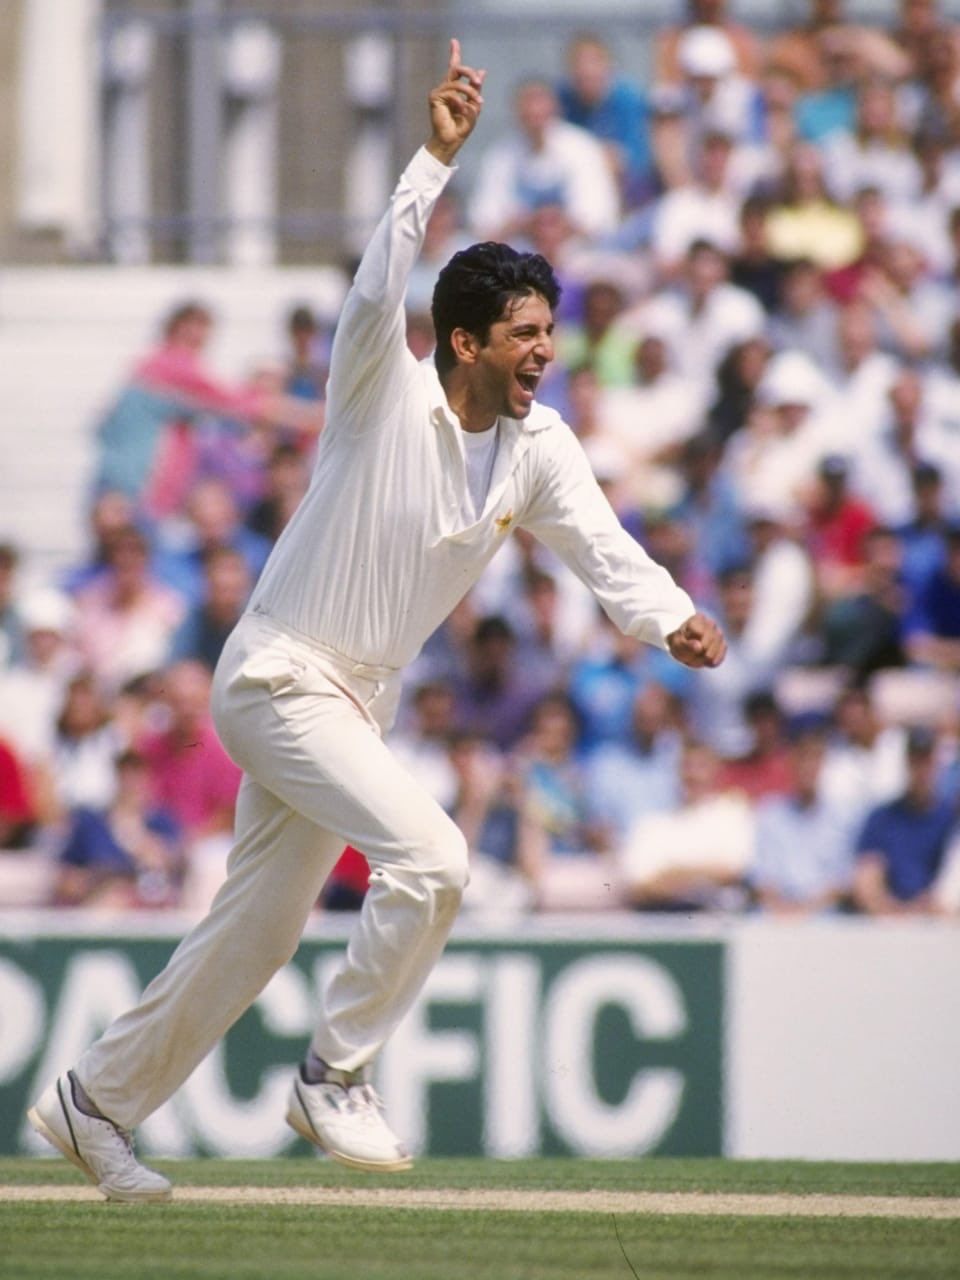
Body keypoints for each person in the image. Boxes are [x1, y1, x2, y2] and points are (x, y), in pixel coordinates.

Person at [28, 42, 725, 1203]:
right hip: (278, 675)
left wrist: (673, 620)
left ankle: (93, 1103)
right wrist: (432, 160)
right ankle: (334, 1071)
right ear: (463, 341)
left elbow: (606, 550)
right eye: (524, 334)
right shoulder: (380, 388)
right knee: (436, 858)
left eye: (549, 330)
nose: (544, 351)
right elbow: (374, 285)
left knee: (253, 933)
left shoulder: (538, 445)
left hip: (358, 699)